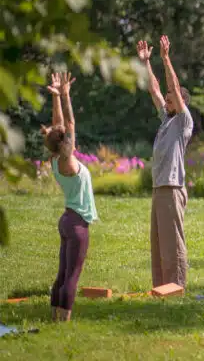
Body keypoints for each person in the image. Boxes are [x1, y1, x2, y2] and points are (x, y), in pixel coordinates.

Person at [138, 36, 193, 289]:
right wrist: (147, 62)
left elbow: (171, 84)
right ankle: (161, 288)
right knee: (159, 241)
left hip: (172, 188)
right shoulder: (166, 120)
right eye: (168, 97)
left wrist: (166, 58)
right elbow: (155, 89)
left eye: (172, 97)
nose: (167, 99)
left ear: (180, 102)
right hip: (160, 187)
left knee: (173, 242)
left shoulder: (183, 121)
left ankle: (176, 287)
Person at [42, 72, 97, 322]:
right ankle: (63, 322)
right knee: (71, 276)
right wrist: (66, 96)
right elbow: (69, 125)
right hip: (76, 225)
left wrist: (55, 97)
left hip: (67, 220)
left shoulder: (56, 159)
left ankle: (54, 317)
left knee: (62, 274)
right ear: (66, 143)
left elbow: (60, 125)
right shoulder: (68, 162)